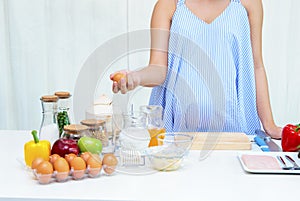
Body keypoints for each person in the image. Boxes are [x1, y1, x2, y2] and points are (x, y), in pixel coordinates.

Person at [110, 0, 282, 139]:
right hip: (175, 134)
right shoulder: (169, 5)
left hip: (237, 133)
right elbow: (158, 69)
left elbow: (256, 66)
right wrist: (136, 77)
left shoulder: (247, 4)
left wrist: (270, 125)